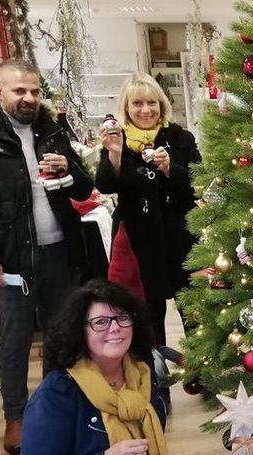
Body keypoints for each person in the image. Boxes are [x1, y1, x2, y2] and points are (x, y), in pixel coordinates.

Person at [19, 278, 221, 455]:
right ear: (79, 331)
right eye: (100, 322)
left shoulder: (140, 376)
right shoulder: (56, 396)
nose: (115, 328)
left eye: (122, 318)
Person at [0, 59, 94, 455]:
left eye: (35, 91)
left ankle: (55, 407)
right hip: (11, 258)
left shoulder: (52, 129)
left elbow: (83, 186)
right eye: (19, 90)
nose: (29, 98)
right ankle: (16, 415)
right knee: (16, 339)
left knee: (59, 336)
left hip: (59, 251)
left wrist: (68, 168)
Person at [96, 72, 201, 346]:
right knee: (148, 317)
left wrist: (170, 169)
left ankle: (202, 377)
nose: (146, 110)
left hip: (181, 238)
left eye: (152, 103)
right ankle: (156, 381)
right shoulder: (117, 141)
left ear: (162, 105)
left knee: (194, 312)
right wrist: (115, 154)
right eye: (137, 104)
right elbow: (105, 185)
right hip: (139, 243)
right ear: (127, 109)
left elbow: (199, 183)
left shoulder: (181, 139)